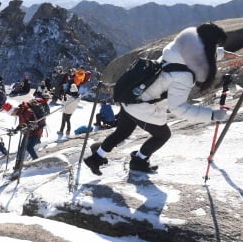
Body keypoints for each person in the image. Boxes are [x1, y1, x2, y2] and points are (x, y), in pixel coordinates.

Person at [83, 22, 232, 175]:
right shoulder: (184, 76)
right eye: (214, 45)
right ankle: (139, 161)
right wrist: (212, 115)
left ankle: (96, 157)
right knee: (163, 135)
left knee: (122, 132)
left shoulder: (177, 49)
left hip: (131, 97)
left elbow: (204, 53)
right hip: (142, 107)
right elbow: (178, 108)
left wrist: (223, 53)